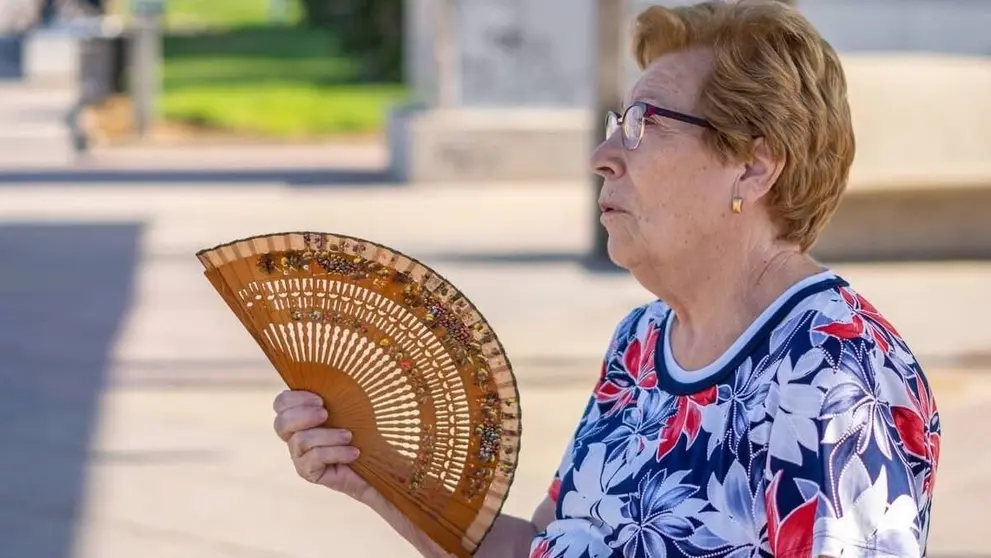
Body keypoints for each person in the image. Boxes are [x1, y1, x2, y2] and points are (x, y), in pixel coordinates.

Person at [270, 1, 941, 556]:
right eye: (617, 123)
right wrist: (380, 475)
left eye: (644, 125)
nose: (601, 156)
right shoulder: (644, 343)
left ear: (753, 165)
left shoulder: (833, 371)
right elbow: (543, 543)